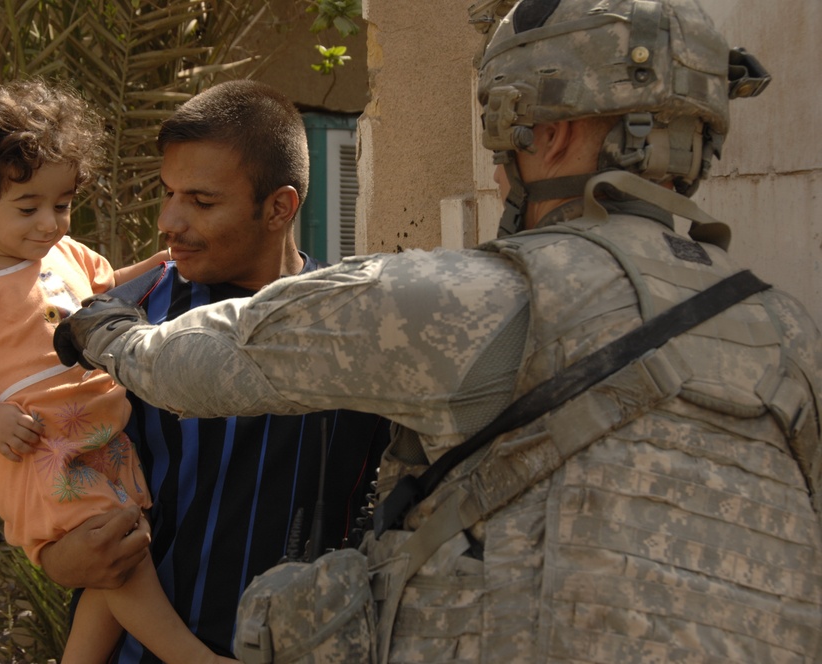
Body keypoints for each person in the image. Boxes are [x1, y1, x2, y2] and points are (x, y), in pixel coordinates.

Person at [55, 1, 822, 663]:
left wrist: (107, 331)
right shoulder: (785, 331)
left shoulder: (477, 297)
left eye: (508, 131)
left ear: (553, 135)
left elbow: (212, 358)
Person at [42, 79, 389, 662]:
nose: (168, 221)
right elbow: (40, 475)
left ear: (280, 206)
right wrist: (55, 557)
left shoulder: (358, 326)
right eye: (168, 193)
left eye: (201, 202)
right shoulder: (115, 322)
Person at [0, 79, 231, 664]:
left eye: (61, 204)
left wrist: (159, 264)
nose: (49, 223)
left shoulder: (67, 254)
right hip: (39, 447)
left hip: (99, 434)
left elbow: (106, 291)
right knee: (117, 548)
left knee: (116, 555)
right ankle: (192, 657)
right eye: (27, 207)